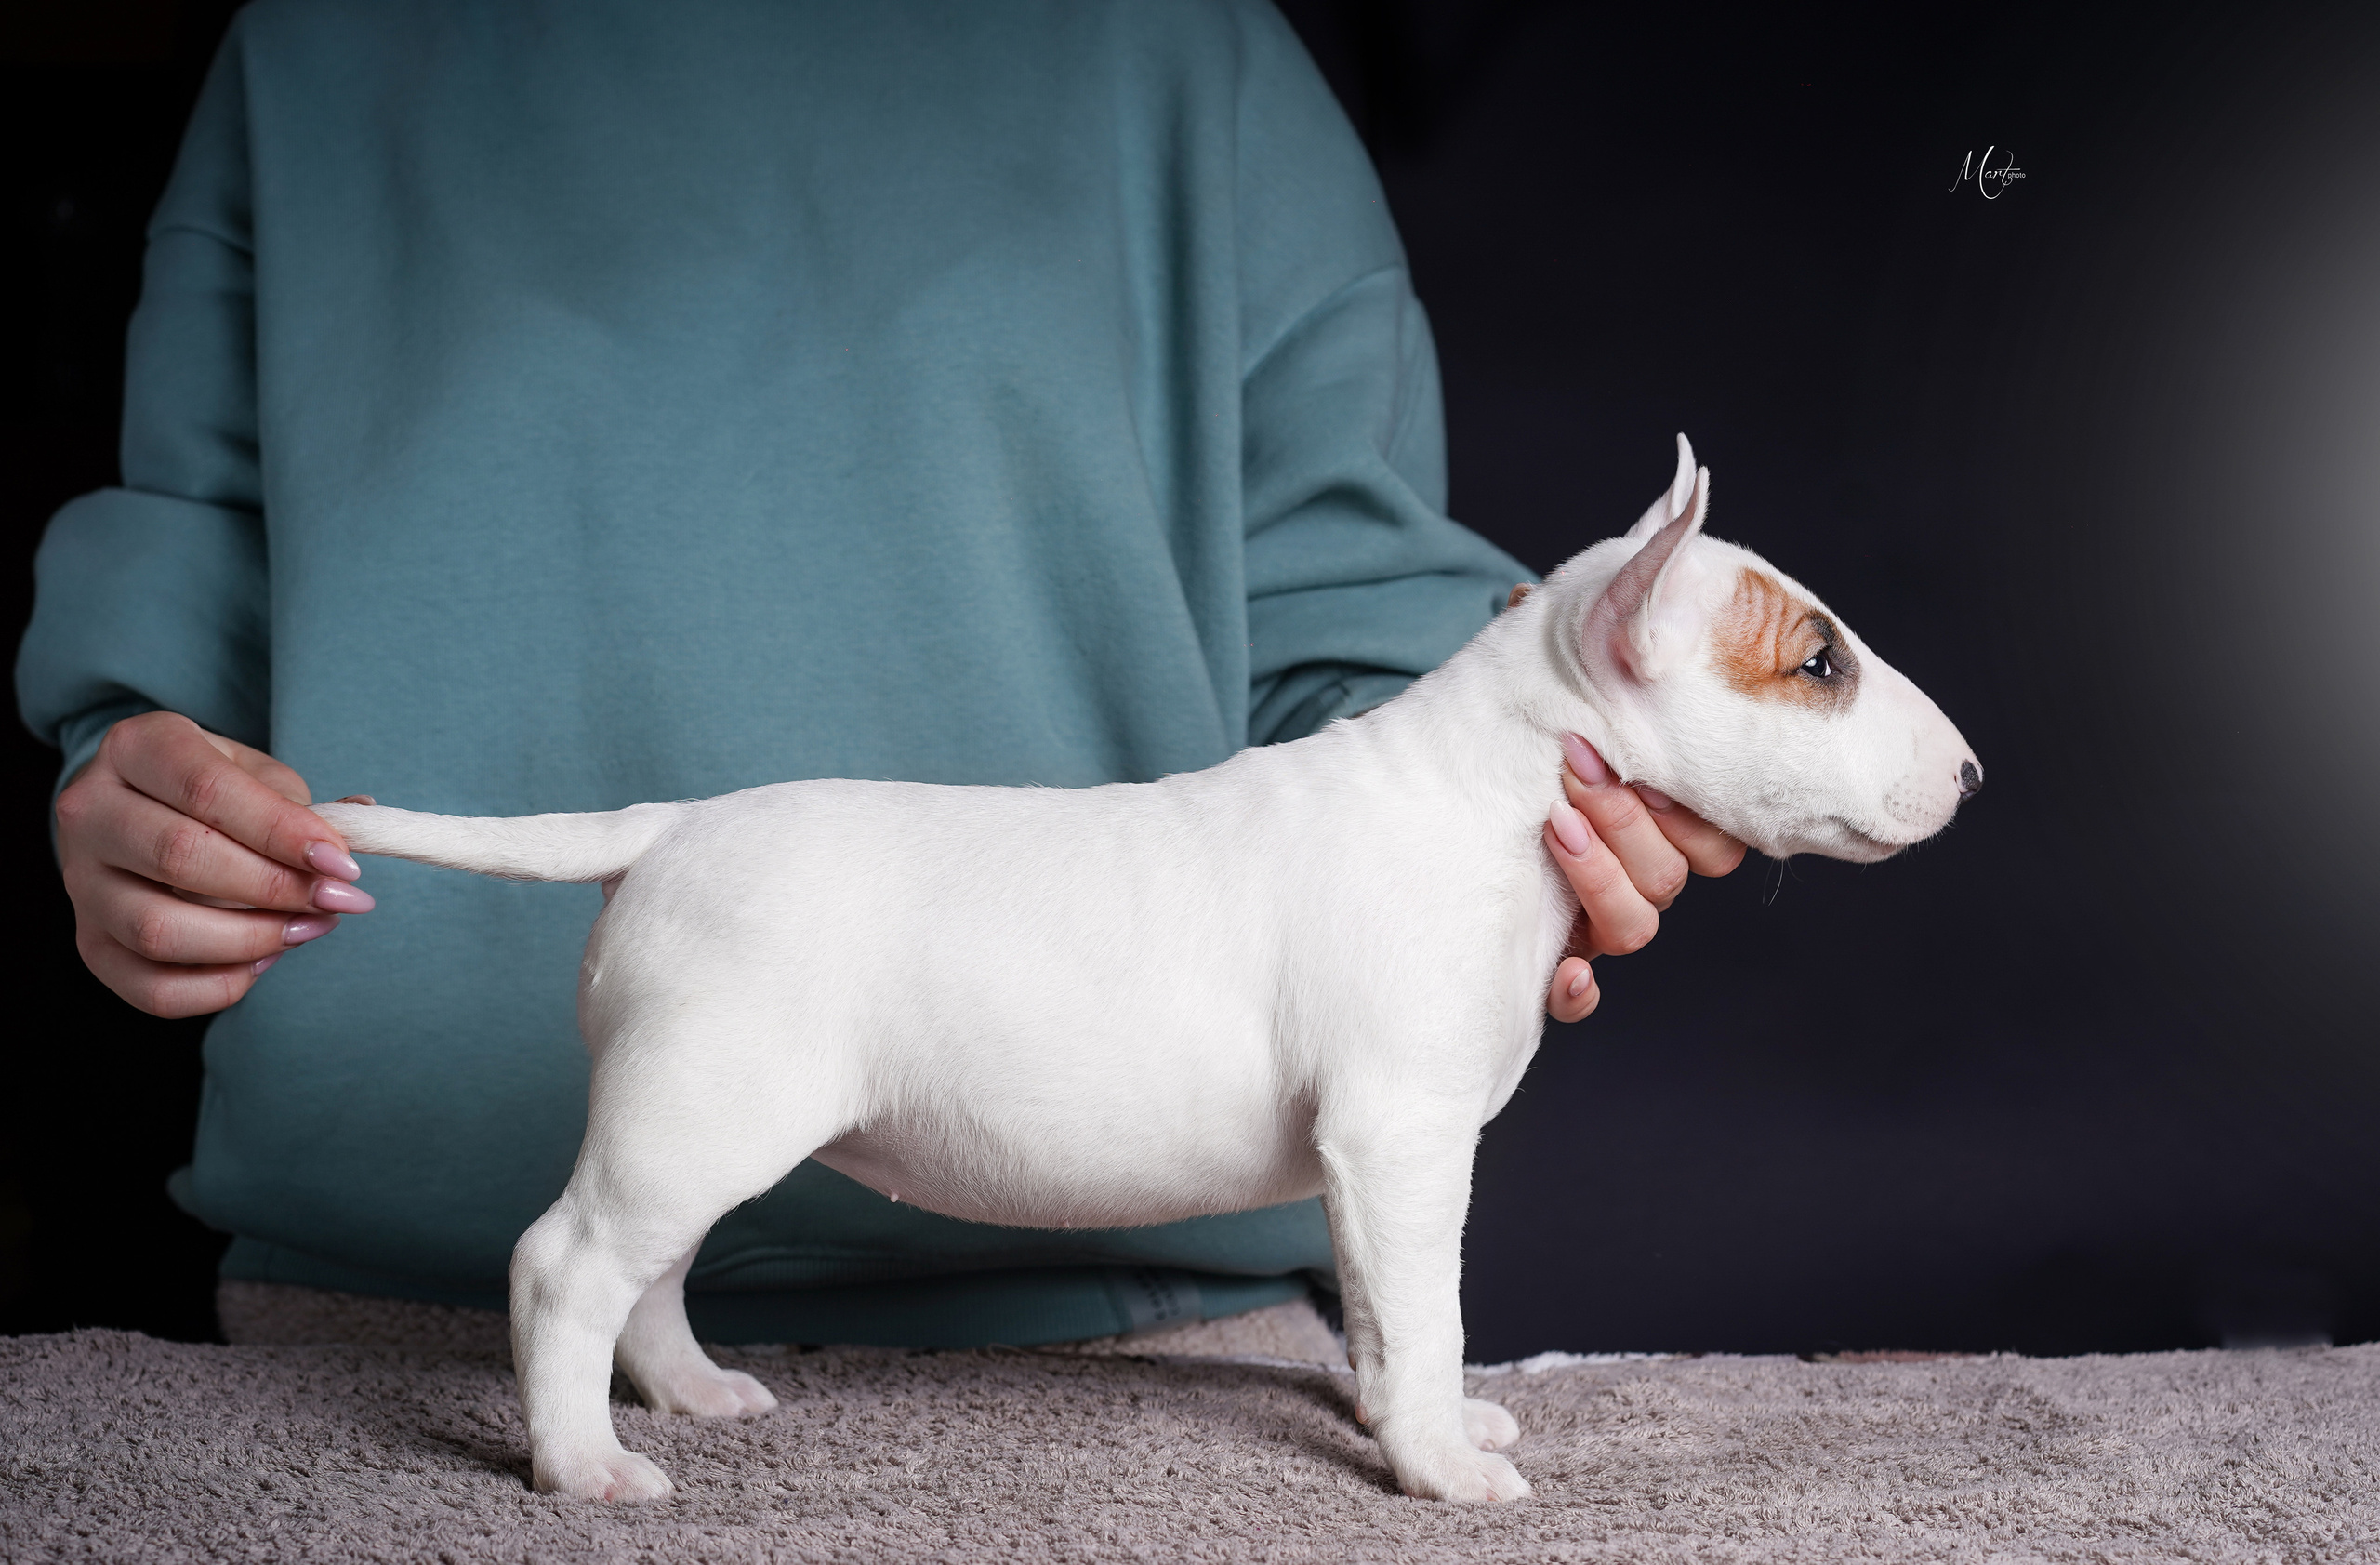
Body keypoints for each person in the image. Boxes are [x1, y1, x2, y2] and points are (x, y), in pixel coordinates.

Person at [18, 0, 1741, 1347]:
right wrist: (138, 785)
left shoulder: (1194, 59)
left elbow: (1362, 662)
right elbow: (181, 601)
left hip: (1147, 1329)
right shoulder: (312, 52)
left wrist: (1551, 798)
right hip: (376, 1307)